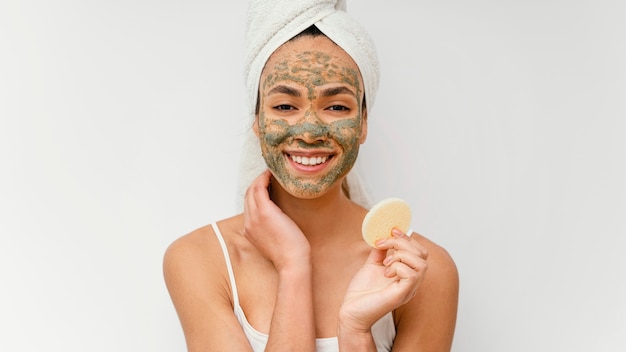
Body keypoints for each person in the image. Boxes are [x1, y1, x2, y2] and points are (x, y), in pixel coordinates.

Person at [163, 1, 459, 351]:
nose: (309, 129)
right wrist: (293, 266)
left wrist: (356, 331)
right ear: (257, 120)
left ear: (363, 123)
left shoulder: (418, 270)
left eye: (336, 106)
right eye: (285, 106)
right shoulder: (200, 258)